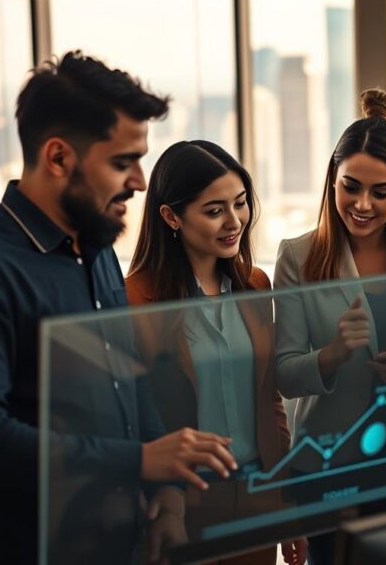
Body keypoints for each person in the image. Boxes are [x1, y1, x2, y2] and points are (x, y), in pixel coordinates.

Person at [0, 52, 236, 565]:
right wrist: (140, 461)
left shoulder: (98, 250)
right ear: (59, 158)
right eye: (122, 162)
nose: (140, 181)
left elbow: (130, 384)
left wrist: (168, 494)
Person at [274, 89, 386, 565]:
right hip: (328, 466)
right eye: (350, 187)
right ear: (331, 180)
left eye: (381, 192)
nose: (362, 204)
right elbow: (284, 376)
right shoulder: (297, 256)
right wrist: (332, 353)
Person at [125, 140, 307, 565]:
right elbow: (133, 418)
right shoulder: (134, 299)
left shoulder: (255, 285)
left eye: (240, 204)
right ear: (171, 216)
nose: (234, 221)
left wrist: (286, 498)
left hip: (258, 494)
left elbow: (269, 401)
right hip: (181, 502)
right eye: (214, 211)